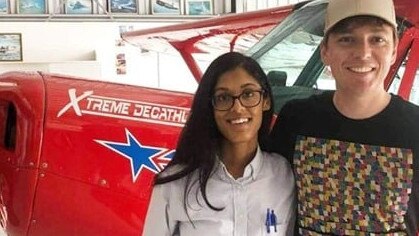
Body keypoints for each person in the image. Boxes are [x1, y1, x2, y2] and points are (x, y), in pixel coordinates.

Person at [269, 0, 419, 235]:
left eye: (377, 39)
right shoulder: (296, 119)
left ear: (393, 50)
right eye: (346, 39)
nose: (363, 53)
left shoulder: (415, 127)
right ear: (325, 52)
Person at [142, 52, 295, 236]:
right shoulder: (175, 184)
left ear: (266, 100)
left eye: (248, 94)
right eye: (223, 98)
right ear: (210, 107)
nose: (237, 108)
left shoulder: (284, 175)